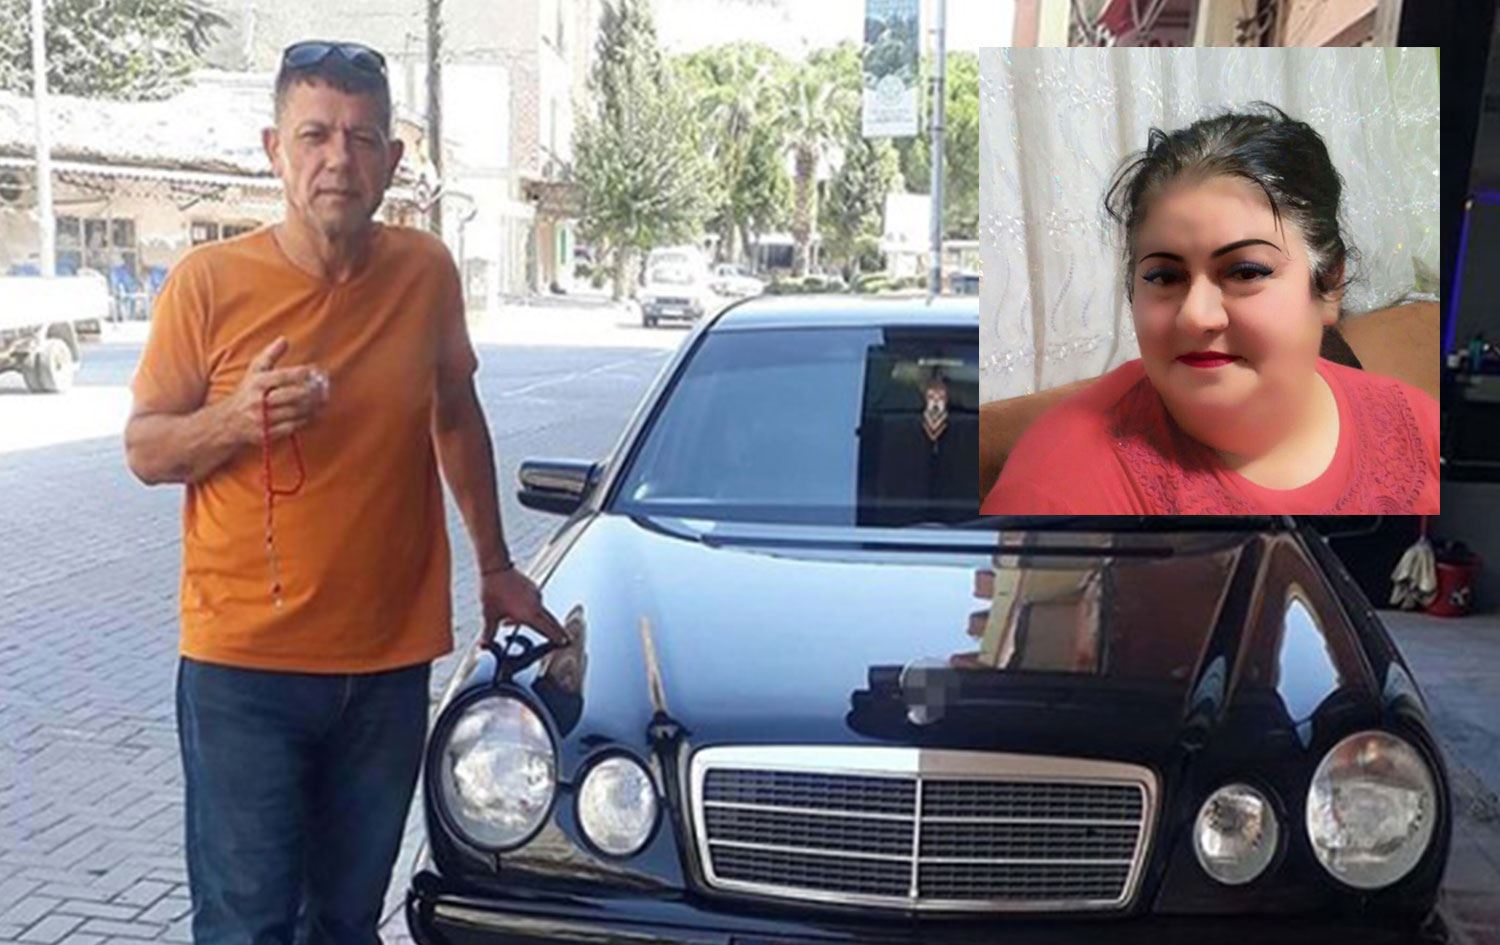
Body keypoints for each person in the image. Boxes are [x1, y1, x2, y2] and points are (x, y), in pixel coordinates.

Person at [123, 40, 566, 945]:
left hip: (387, 671)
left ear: (392, 161)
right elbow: (146, 449)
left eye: (363, 138)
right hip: (245, 673)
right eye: (315, 134)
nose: (339, 158)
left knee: (346, 922)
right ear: (274, 150)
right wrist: (235, 420)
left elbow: (456, 414)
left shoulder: (425, 273)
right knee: (247, 926)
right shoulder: (208, 284)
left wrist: (495, 566)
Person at [980, 104, 1439, 515]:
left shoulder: (1414, 427)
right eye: (1165, 277)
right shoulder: (1056, 485)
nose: (1196, 316)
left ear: (1329, 285)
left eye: (1245, 272)